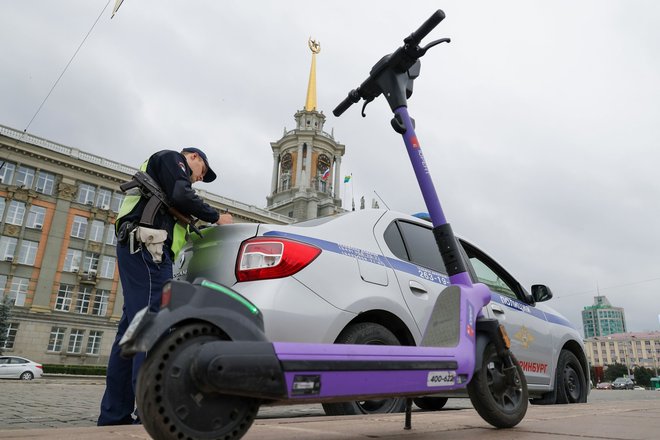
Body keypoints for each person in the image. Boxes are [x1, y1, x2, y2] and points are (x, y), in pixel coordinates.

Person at [98, 147, 232, 426]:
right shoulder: (172, 158)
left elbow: (176, 203)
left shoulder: (164, 177)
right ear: (192, 157)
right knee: (154, 327)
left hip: (142, 249)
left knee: (131, 336)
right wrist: (217, 217)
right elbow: (183, 194)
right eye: (201, 173)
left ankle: (114, 416)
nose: (197, 180)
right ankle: (153, 414)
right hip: (150, 250)